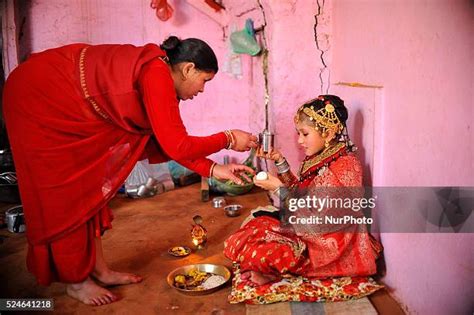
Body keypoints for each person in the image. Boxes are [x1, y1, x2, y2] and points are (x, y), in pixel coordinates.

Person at [3, 36, 258, 306]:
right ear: (188, 69)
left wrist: (216, 168)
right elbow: (178, 144)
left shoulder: (159, 75)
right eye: (204, 80)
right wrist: (228, 138)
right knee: (67, 194)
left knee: (89, 187)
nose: (202, 90)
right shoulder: (156, 73)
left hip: (65, 100)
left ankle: (98, 269)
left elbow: (168, 144)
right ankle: (76, 282)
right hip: (40, 96)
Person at [224, 95, 382, 286]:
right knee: (248, 233)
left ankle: (273, 273)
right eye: (299, 134)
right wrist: (279, 160)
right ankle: (272, 270)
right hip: (307, 233)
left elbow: (317, 222)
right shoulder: (324, 156)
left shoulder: (346, 166)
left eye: (305, 134)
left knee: (254, 248)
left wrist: (278, 189)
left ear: (329, 133)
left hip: (329, 248)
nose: (299, 140)